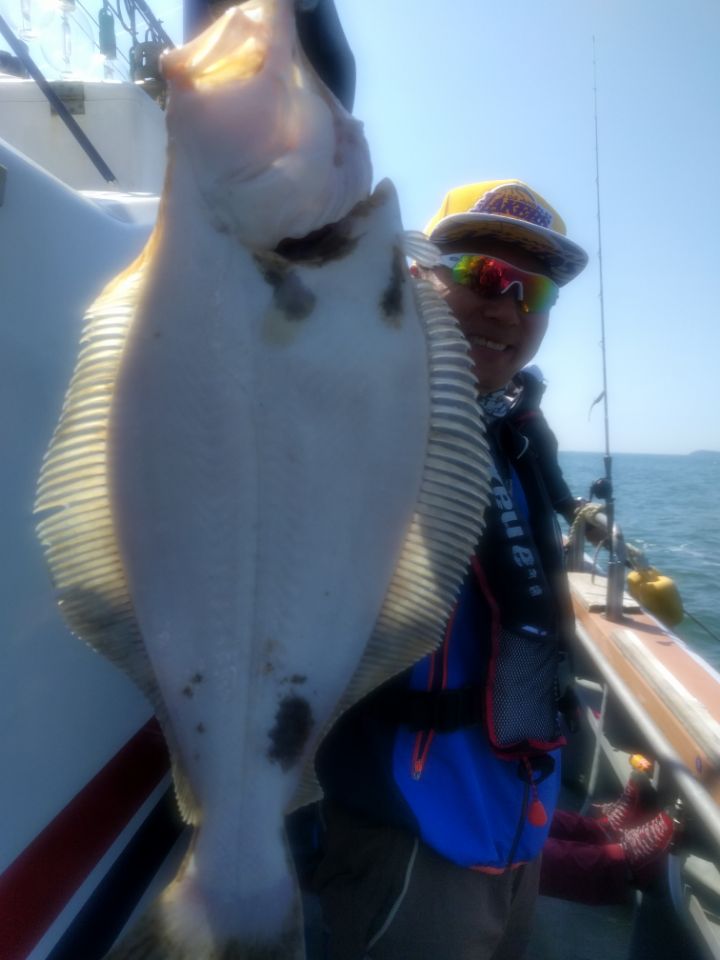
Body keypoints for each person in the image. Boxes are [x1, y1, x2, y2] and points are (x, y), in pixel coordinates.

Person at [305, 180, 590, 960]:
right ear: (419, 275)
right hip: (408, 836)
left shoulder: (514, 435)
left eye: (532, 291)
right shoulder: (365, 409)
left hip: (517, 817)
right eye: (480, 275)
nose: (506, 306)